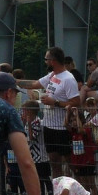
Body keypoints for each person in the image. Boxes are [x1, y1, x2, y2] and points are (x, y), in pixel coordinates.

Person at [16, 47, 80, 178]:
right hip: (49, 126)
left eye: (46, 59)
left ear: (53, 61)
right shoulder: (53, 75)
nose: (45, 62)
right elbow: (34, 84)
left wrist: (54, 102)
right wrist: (13, 81)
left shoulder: (68, 78)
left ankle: (81, 192)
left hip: (62, 127)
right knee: (54, 162)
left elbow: (76, 102)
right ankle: (58, 194)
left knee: (71, 164)